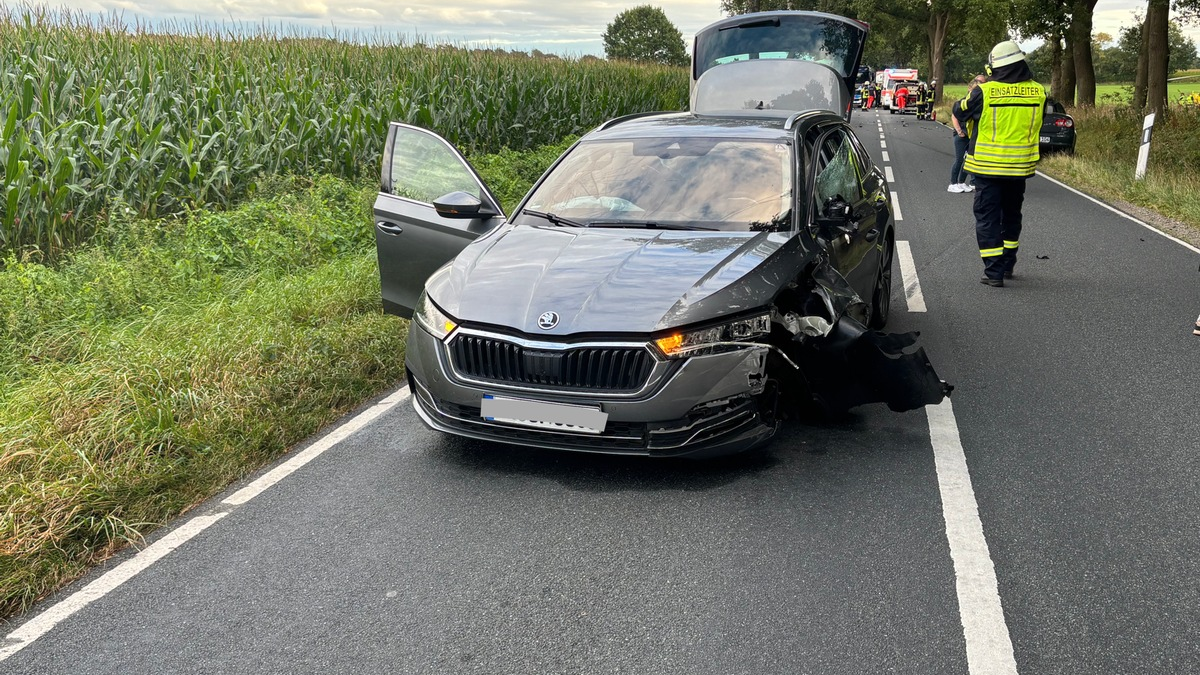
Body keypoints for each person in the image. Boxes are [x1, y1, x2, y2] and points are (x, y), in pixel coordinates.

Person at [954, 40, 1045, 287]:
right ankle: (1008, 264)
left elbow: (959, 111)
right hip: (1019, 168)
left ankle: (993, 272)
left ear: (995, 67)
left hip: (987, 168)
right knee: (1012, 216)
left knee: (988, 218)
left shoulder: (983, 91)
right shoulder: (1039, 91)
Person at [948, 75, 987, 193]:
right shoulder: (963, 102)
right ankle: (952, 183)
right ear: (970, 89)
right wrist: (959, 131)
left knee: (967, 160)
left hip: (970, 135)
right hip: (961, 135)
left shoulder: (977, 103)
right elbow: (954, 116)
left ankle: (961, 182)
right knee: (959, 159)